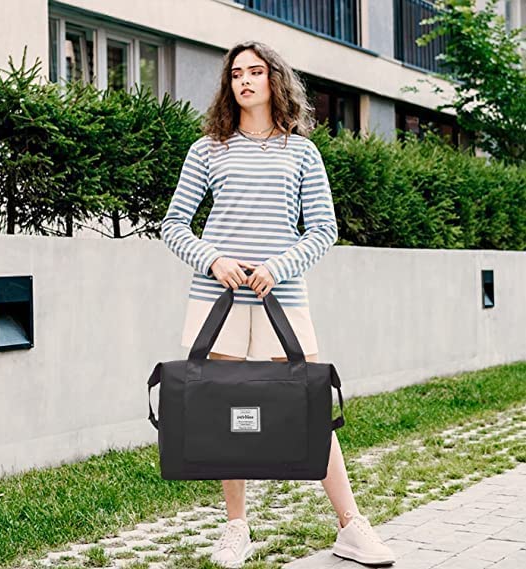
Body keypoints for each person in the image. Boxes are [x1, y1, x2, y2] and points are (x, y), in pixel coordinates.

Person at [160, 40, 395, 569]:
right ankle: (236, 529)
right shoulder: (207, 149)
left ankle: (351, 526)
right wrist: (213, 260)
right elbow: (173, 226)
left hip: (281, 297)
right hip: (217, 298)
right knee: (224, 411)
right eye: (236, 73)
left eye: (255, 71)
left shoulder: (302, 152)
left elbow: (324, 230)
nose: (244, 80)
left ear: (275, 80)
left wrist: (277, 267)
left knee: (311, 407)